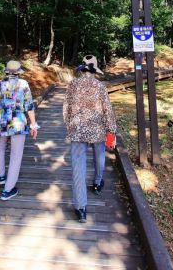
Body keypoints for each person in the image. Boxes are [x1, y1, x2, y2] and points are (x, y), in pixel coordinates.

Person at [64, 55, 116, 223]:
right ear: (94, 69)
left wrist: (70, 126)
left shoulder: (73, 84)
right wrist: (111, 130)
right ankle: (97, 182)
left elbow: (66, 109)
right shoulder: (100, 86)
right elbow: (108, 109)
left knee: (78, 166)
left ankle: (81, 208)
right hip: (97, 128)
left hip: (77, 129)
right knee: (99, 154)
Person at [0, 60, 38, 200]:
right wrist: (33, 124)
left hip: (1, 122)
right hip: (18, 123)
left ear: (7, 71)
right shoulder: (23, 84)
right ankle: (8, 189)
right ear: (19, 72)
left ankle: (1, 176)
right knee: (16, 155)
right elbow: (29, 106)